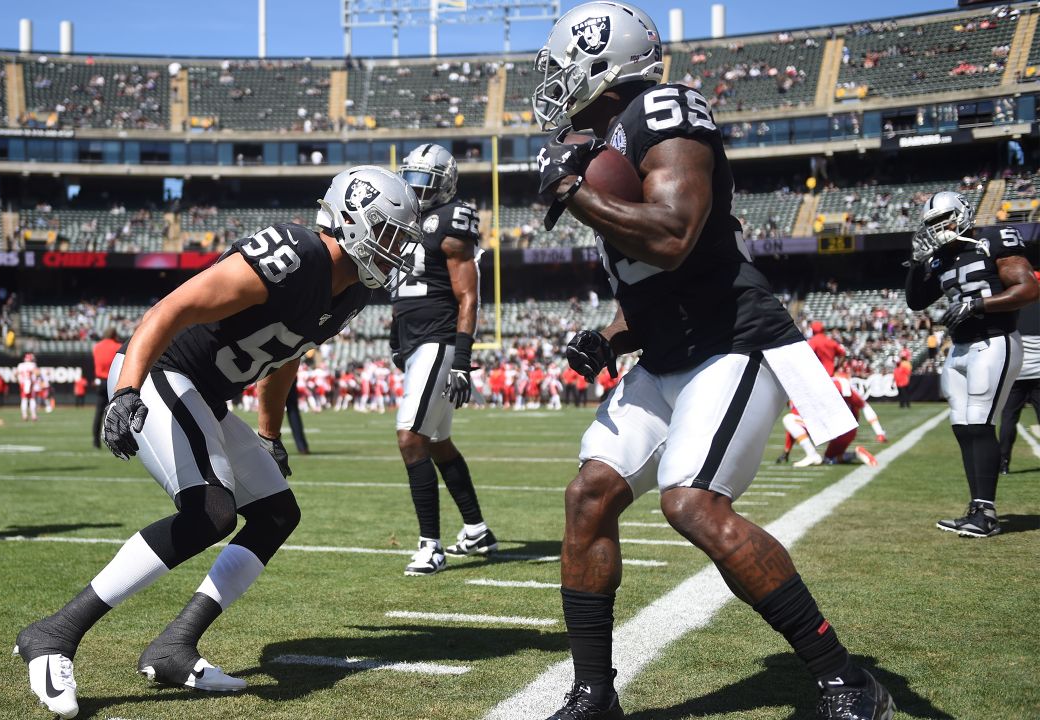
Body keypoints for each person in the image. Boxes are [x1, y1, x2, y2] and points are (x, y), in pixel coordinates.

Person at [531, 4, 892, 718]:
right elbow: (660, 285)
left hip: (733, 343)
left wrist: (573, 192)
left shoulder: (663, 110)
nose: (553, 81)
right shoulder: (612, 138)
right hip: (668, 352)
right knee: (588, 497)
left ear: (602, 62)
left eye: (561, 64)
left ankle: (845, 678)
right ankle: (593, 695)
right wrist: (611, 336)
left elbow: (672, 238)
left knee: (690, 502)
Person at [12, 166, 420, 718]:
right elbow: (172, 308)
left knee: (276, 513)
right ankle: (54, 633)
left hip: (206, 394)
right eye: (391, 235)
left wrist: (271, 435)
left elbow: (285, 360)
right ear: (352, 220)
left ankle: (174, 646)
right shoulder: (295, 253)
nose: (396, 252)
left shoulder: (348, 293)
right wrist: (127, 389)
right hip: (162, 372)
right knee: (210, 510)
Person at [390, 143, 496, 576]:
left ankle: (431, 546)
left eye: (424, 181)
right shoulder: (402, 218)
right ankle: (476, 530)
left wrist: (462, 358)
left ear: (445, 183)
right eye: (410, 179)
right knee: (435, 442)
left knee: (410, 438)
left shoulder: (450, 218)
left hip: (438, 340)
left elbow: (468, 295)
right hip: (415, 342)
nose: (415, 189)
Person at [905, 192, 1036, 537]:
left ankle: (987, 514)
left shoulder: (991, 240)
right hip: (961, 346)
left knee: (979, 421)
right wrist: (917, 263)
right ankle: (977, 508)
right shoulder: (942, 257)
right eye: (932, 223)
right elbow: (916, 301)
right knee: (963, 426)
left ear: (962, 214)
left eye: (943, 219)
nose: (938, 228)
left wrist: (978, 304)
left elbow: (1028, 288)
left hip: (994, 340)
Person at [998, 273, 1040, 474]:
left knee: (1008, 418)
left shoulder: (1013, 307)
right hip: (1039, 374)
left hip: (1018, 374)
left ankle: (1003, 463)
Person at [91, 328, 121, 448]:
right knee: (114, 412)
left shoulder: (97, 347)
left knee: (99, 412)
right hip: (113, 381)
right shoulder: (118, 346)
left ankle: (95, 441)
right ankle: (114, 441)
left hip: (100, 381)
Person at [16, 353, 38, 421]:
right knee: (32, 399)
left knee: (24, 399)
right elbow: (37, 373)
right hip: (29, 383)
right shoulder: (32, 365)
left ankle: (24, 415)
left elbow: (15, 374)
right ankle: (33, 415)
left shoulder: (20, 365)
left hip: (23, 383)